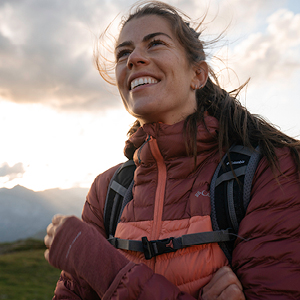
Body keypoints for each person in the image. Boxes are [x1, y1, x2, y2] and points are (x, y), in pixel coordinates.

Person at [44, 1, 300, 299]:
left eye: (155, 44)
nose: (134, 58)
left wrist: (98, 262)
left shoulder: (268, 171)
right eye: (123, 53)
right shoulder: (107, 190)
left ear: (198, 75)